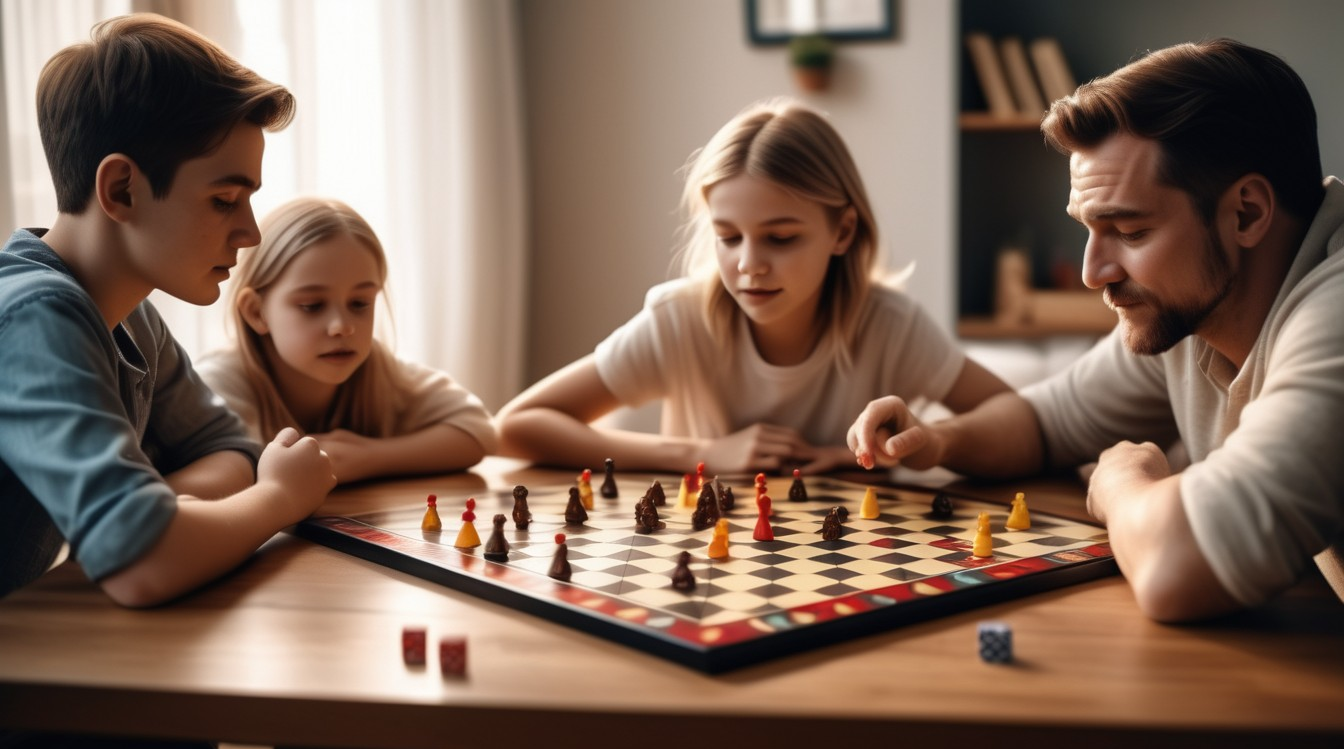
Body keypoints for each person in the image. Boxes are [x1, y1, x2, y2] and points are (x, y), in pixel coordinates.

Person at [847, 38, 1344, 623]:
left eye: (1129, 232)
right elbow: (1047, 421)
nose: (1092, 273)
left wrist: (1123, 482)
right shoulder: (1193, 310)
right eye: (1087, 229)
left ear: (1247, 214)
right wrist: (939, 441)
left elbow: (1176, 570)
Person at [0, 13, 334, 749]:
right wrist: (282, 497)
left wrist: (158, 516)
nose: (250, 232)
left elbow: (225, 450)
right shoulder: (34, 316)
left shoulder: (129, 310)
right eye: (225, 199)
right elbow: (145, 562)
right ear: (120, 187)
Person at [496, 97, 1009, 475]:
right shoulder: (679, 319)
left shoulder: (891, 326)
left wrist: (926, 442)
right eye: (727, 237)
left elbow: (1015, 417)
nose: (749, 265)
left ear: (843, 231)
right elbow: (516, 426)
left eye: (780, 238)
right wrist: (700, 454)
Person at [197, 197, 498, 483]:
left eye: (359, 304)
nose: (342, 327)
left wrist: (368, 457)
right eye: (312, 306)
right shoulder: (218, 384)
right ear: (256, 311)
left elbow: (478, 430)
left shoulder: (379, 371)